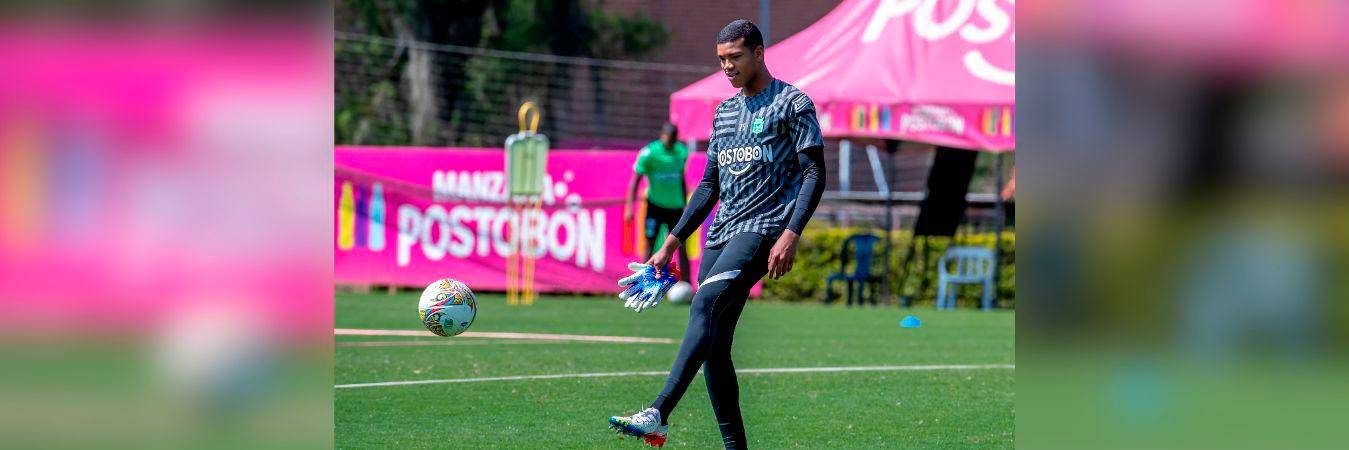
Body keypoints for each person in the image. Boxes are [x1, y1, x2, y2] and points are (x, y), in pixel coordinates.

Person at [607, 19, 826, 449]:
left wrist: (791, 232)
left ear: (759, 53)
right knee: (716, 348)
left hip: (763, 230)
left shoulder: (793, 104)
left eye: (735, 57)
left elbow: (815, 172)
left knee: (704, 301)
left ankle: (658, 412)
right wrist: (671, 242)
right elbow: (709, 186)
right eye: (721, 59)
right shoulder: (724, 113)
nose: (727, 67)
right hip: (720, 233)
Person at [625, 122, 691, 283]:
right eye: (668, 138)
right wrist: (629, 207)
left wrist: (685, 206)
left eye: (673, 139)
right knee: (650, 245)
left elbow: (681, 179)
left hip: (675, 208)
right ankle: (643, 282)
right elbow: (635, 180)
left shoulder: (681, 152)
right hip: (655, 206)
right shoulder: (649, 153)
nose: (670, 142)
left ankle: (687, 284)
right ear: (662, 136)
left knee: (681, 246)